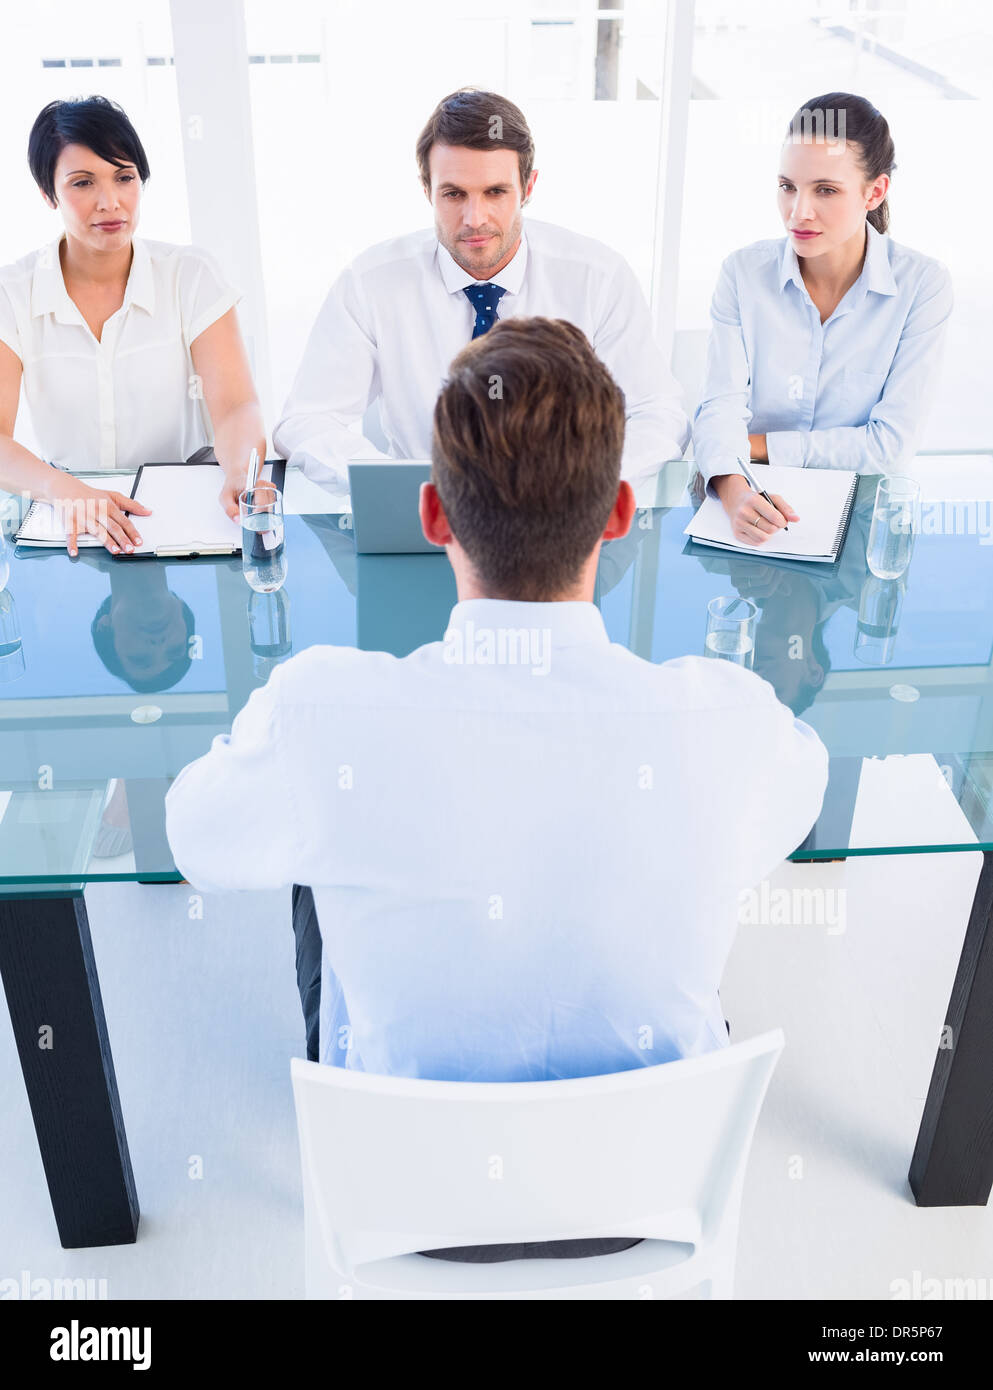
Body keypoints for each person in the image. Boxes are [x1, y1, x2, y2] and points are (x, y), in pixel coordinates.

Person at [166, 316, 827, 1261]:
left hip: (403, 1197)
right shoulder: (731, 719)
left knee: (313, 857)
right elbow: (792, 801)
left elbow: (196, 838)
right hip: (643, 1198)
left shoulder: (324, 711)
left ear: (433, 514)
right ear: (617, 511)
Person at [273, 87, 689, 493]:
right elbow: (306, 421)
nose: (475, 219)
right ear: (426, 191)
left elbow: (657, 412)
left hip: (566, 522)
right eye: (453, 194)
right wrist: (406, 491)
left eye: (495, 192)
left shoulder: (598, 277)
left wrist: (580, 492)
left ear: (528, 188)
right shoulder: (371, 284)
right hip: (429, 523)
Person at [0, 96, 266, 556]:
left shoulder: (190, 274)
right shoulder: (13, 291)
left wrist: (243, 474)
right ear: (48, 194)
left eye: (125, 177)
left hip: (180, 503)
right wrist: (65, 491)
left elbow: (236, 407)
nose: (111, 202)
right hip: (69, 512)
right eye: (83, 182)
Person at [693, 92, 953, 549]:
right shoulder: (743, 274)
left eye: (826, 190)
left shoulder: (921, 285)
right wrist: (735, 495)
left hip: (865, 524)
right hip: (751, 506)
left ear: (875, 192)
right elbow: (718, 409)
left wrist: (755, 445)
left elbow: (889, 447)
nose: (799, 212)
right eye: (787, 186)